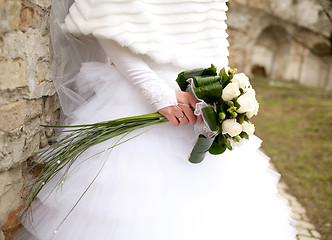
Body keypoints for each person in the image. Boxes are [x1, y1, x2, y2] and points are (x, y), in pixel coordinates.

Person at [15, 0, 297, 239]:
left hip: (199, 99)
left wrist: (218, 91)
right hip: (141, 97)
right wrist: (156, 92)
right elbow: (107, 17)